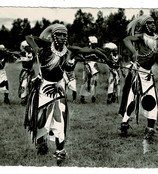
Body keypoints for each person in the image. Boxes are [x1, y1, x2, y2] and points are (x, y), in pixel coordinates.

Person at [24, 24, 109, 165]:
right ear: (53, 36)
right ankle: (41, 142)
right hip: (43, 89)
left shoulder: (69, 51)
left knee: (60, 121)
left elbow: (86, 50)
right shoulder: (45, 47)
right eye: (59, 35)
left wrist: (105, 57)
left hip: (58, 90)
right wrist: (35, 48)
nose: (63, 37)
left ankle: (60, 151)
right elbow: (29, 37)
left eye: (65, 35)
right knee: (41, 121)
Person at [79, 36, 100, 104]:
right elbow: (82, 57)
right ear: (90, 43)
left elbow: (99, 59)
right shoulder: (85, 50)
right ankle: (82, 97)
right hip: (87, 66)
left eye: (95, 44)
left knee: (94, 82)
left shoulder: (97, 50)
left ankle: (93, 96)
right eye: (93, 43)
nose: (94, 45)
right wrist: (85, 63)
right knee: (85, 82)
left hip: (95, 67)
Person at [16, 40, 35, 105]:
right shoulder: (22, 53)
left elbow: (31, 59)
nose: (29, 48)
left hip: (31, 71)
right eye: (27, 47)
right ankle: (23, 99)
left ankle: (30, 99)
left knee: (31, 85)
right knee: (24, 85)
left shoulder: (33, 53)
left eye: (29, 46)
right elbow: (18, 59)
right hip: (25, 72)